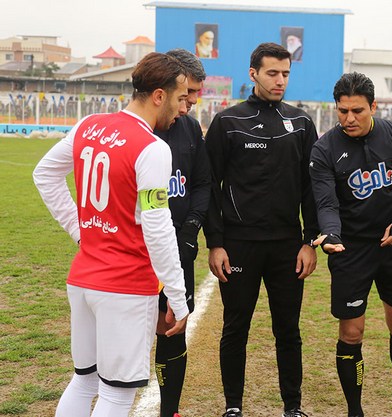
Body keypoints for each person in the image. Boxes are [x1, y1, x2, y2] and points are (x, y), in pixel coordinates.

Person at [32, 52, 189, 417]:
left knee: (84, 381)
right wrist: (178, 297)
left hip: (83, 278)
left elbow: (45, 174)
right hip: (126, 286)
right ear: (159, 96)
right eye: (181, 98)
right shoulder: (153, 148)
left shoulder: (89, 124)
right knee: (117, 395)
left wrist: (80, 230)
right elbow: (157, 226)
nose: (184, 108)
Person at [204, 42, 319, 417]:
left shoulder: (301, 123)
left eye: (285, 74)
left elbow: (310, 189)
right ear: (253, 73)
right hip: (239, 246)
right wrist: (216, 244)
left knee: (288, 330)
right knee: (235, 328)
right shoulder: (227, 122)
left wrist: (309, 242)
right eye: (272, 73)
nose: (280, 80)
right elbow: (210, 186)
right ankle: (233, 407)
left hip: (287, 247)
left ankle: (293, 407)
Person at [309, 72, 392, 417]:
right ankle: (354, 410)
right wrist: (331, 234)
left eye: (357, 110)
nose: (348, 119)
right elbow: (326, 203)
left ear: (373, 106)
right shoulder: (324, 149)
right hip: (350, 250)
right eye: (342, 111)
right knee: (352, 330)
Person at [153, 48, 211, 417]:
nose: (189, 103)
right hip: (136, 252)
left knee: (172, 329)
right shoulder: (139, 127)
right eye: (185, 93)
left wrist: (190, 231)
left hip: (179, 249)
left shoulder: (190, 128)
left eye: (196, 95)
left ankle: (169, 410)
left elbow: (202, 183)